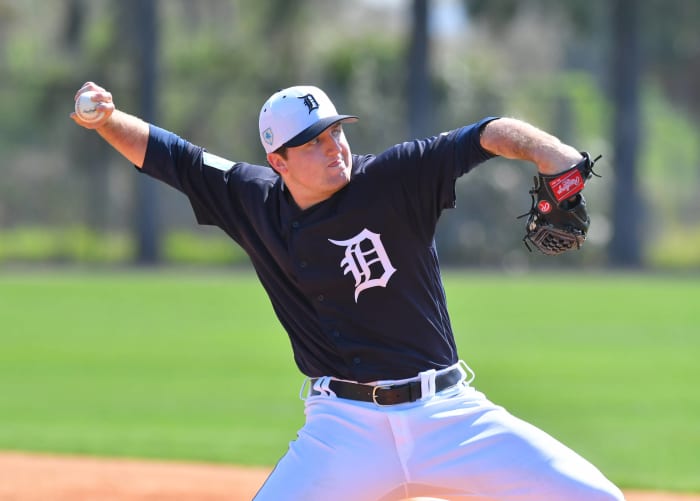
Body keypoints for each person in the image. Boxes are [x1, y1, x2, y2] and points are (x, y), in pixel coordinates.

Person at [72, 81, 624, 501]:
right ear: (278, 161)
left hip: (448, 417)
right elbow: (170, 156)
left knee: (597, 498)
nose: (332, 145)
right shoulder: (251, 198)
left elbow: (488, 133)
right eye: (311, 142)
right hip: (343, 430)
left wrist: (552, 154)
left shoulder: (394, 178)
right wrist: (107, 119)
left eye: (336, 130)